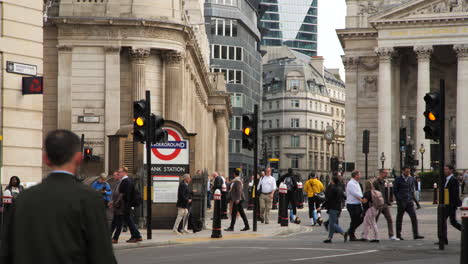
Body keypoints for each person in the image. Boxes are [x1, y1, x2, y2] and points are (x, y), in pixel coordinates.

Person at [0, 129, 117, 263]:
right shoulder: (90, 199)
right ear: (79, 158)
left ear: (46, 159)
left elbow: (6, 252)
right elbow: (102, 255)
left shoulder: (22, 199)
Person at [394, 166, 424, 240]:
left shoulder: (411, 179)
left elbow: (412, 191)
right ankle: (398, 234)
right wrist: (398, 200)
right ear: (403, 171)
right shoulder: (398, 179)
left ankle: (416, 234)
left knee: (414, 218)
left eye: (409, 172)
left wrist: (416, 203)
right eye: (407, 172)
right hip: (401, 202)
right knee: (399, 218)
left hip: (409, 201)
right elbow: (395, 191)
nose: (408, 173)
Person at [115, 166, 142, 243]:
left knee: (129, 221)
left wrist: (121, 204)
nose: (118, 173)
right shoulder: (126, 181)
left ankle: (136, 236)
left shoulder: (126, 181)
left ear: (124, 172)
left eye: (120, 172)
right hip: (126, 204)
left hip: (126, 204)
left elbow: (125, 194)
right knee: (128, 220)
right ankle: (136, 236)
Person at [438, 165, 462, 245]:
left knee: (443, 221)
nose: (444, 171)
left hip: (450, 205)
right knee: (453, 222)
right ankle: (444, 239)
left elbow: (455, 193)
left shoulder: (453, 180)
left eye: (446, 169)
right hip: (446, 204)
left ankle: (443, 239)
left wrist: (453, 205)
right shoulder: (445, 179)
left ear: (451, 170)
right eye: (444, 169)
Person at [373, 169, 399, 240]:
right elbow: (374, 193)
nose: (386, 175)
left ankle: (391, 235)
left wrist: (387, 201)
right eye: (385, 173)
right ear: (381, 173)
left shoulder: (384, 182)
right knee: (374, 220)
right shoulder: (375, 182)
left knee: (389, 219)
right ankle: (367, 233)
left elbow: (385, 193)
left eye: (387, 173)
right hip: (378, 204)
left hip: (384, 204)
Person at [321, 175, 347, 243]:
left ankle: (344, 233)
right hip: (339, 208)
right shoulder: (340, 188)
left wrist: (322, 206)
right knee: (331, 223)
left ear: (333, 181)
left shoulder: (332, 189)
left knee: (332, 224)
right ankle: (329, 238)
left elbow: (328, 199)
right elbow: (344, 197)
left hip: (333, 208)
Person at [345, 170, 364, 241]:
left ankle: (350, 232)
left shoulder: (356, 183)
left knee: (360, 219)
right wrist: (363, 197)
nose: (360, 176)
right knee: (354, 220)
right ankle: (351, 235)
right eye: (359, 175)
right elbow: (355, 193)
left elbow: (359, 192)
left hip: (357, 204)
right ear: (355, 176)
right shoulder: (351, 183)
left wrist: (362, 199)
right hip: (351, 204)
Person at [110, 170, 124, 243]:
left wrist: (116, 202)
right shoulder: (117, 183)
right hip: (116, 206)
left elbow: (121, 194)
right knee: (114, 222)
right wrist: (112, 201)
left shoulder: (121, 183)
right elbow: (115, 194)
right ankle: (109, 236)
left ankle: (115, 238)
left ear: (118, 176)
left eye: (115, 175)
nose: (113, 176)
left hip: (120, 207)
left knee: (119, 223)